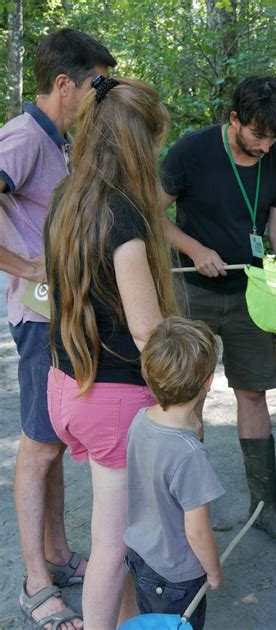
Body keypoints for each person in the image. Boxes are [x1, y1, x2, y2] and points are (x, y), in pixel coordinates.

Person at [44, 77, 177, 629]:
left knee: (119, 537)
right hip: (113, 396)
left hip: (67, 385)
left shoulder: (67, 196)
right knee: (113, 547)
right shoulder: (123, 216)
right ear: (137, 144)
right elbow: (148, 330)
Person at [160, 75, 276, 546]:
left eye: (273, 138)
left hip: (250, 291)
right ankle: (189, 512)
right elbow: (151, 212)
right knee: (188, 397)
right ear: (234, 120)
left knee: (254, 393)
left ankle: (265, 508)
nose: (265, 146)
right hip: (192, 289)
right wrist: (193, 248)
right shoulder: (191, 151)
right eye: (256, 136)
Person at [0, 29, 116, 629]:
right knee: (40, 445)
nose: (101, 97)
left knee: (53, 438)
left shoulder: (57, 140)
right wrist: (25, 266)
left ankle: (59, 555)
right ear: (65, 84)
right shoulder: (22, 138)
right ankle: (35, 582)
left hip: (60, 312)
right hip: (40, 316)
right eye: (97, 85)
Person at [124, 316, 225, 630]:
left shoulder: (141, 420)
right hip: (177, 576)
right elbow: (197, 532)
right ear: (207, 381)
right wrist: (214, 570)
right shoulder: (190, 455)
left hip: (141, 558)